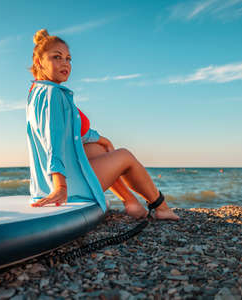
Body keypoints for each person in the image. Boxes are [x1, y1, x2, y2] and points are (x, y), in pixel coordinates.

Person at [26, 29, 179, 221]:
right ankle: (161, 207)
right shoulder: (55, 94)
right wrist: (61, 187)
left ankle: (132, 203)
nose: (65, 63)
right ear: (39, 62)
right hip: (69, 188)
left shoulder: (37, 92)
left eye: (68, 59)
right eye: (57, 57)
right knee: (125, 155)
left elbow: (69, 134)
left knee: (96, 149)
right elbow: (53, 142)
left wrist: (100, 138)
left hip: (43, 186)